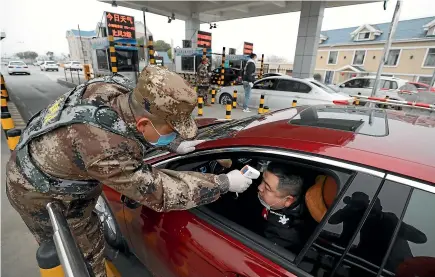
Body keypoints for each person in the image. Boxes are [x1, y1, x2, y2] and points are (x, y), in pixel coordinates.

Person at [5, 66, 256, 277]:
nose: (174, 134)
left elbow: (132, 126)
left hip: (52, 157)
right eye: (171, 130)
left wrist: (171, 141)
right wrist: (223, 183)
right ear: (144, 123)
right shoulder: (104, 146)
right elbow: (158, 192)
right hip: (38, 190)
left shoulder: (117, 88)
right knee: (80, 250)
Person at [257, 162, 315, 253]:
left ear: (288, 200)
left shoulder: (281, 236)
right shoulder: (304, 196)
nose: (260, 187)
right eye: (262, 180)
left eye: (267, 188)